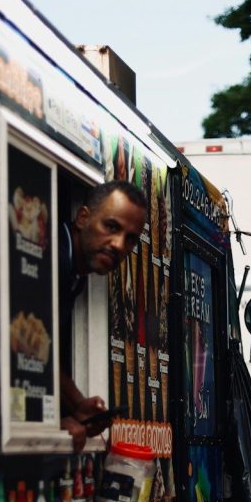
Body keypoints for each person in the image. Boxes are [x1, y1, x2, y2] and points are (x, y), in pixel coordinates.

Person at [59, 180, 148, 452]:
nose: (119, 245)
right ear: (82, 217)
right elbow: (20, 345)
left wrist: (78, 405)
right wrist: (48, 421)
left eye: (130, 239)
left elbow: (40, 352)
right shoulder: (53, 257)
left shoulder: (75, 275)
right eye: (111, 227)